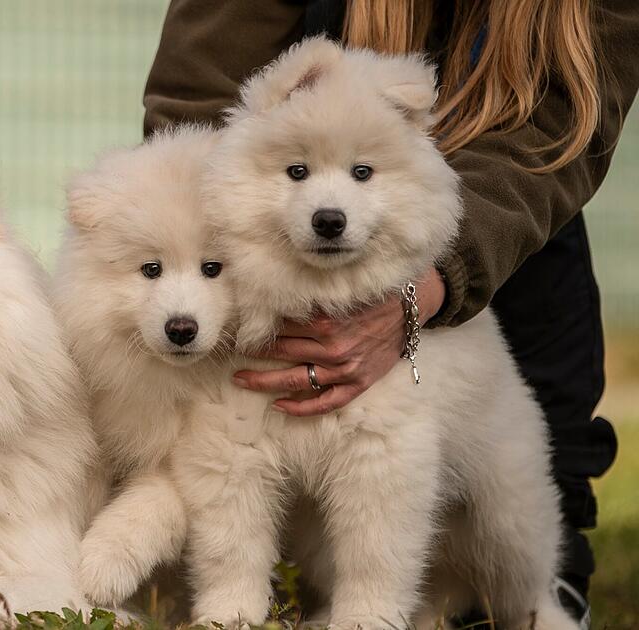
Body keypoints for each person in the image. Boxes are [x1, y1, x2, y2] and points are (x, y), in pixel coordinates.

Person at [143, 0, 634, 625]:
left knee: (493, 517)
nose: (329, 207)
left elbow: (560, 127)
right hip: (282, 186)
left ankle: (526, 603)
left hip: (509, 206)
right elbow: (200, 85)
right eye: (299, 172)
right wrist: (204, 252)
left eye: (360, 173)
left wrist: (427, 291)